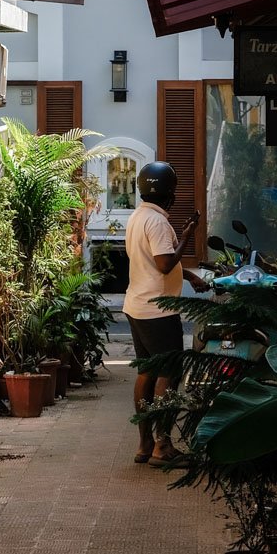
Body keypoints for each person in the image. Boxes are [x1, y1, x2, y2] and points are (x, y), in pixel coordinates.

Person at [123, 160, 203, 465]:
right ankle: (163, 446)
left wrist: (190, 276)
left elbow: (150, 262)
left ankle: (144, 445)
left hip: (137, 305)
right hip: (159, 309)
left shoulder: (137, 217)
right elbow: (164, 263)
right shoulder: (157, 222)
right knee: (169, 375)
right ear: (170, 193)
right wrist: (187, 235)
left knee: (146, 372)